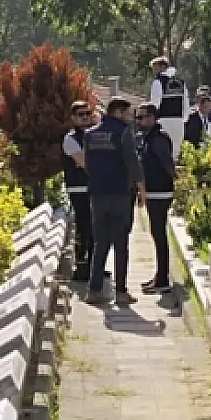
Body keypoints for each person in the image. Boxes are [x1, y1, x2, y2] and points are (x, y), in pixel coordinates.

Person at [82, 97, 145, 305]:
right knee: (121, 243)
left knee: (100, 242)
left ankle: (94, 290)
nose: (130, 117)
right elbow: (132, 161)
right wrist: (141, 188)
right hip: (119, 194)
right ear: (118, 112)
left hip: (97, 194)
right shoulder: (123, 132)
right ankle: (120, 292)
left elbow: (88, 164)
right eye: (128, 113)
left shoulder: (90, 135)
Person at [135, 104, 177, 295]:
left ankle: (162, 280)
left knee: (159, 235)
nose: (139, 121)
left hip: (160, 192)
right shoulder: (149, 138)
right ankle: (159, 275)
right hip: (153, 192)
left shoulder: (158, 138)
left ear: (152, 118)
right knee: (156, 234)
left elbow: (167, 163)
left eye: (142, 117)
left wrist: (177, 182)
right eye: (138, 117)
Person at [62, 100, 96, 282]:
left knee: (95, 228)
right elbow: (84, 162)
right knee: (84, 227)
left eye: (87, 114)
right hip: (78, 187)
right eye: (81, 115)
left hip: (93, 186)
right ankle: (82, 267)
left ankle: (94, 264)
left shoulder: (92, 135)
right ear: (73, 118)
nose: (85, 118)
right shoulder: (70, 138)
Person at [147, 56, 190, 162]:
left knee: (162, 154)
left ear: (162, 67)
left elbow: (154, 105)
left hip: (163, 122)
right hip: (179, 122)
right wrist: (183, 120)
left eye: (155, 67)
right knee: (175, 154)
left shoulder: (158, 82)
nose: (154, 71)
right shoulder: (181, 82)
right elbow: (186, 103)